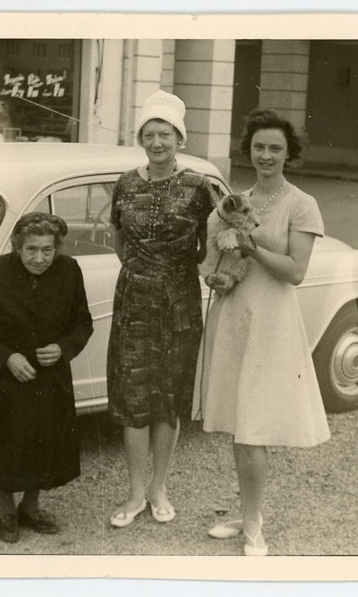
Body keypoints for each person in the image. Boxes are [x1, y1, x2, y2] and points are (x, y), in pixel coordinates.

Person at [193, 108, 331, 555]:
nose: (266, 155)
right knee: (238, 423)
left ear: (290, 153)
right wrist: (217, 261)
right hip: (233, 314)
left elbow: (296, 270)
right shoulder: (236, 197)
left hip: (271, 320)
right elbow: (216, 247)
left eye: (275, 148)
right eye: (259, 147)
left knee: (253, 427)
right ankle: (247, 510)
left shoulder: (301, 203)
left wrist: (252, 246)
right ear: (248, 150)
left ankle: (253, 525)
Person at [107, 90, 216, 527]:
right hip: (133, 300)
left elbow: (212, 246)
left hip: (180, 304)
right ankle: (135, 493)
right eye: (149, 134)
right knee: (134, 397)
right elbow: (117, 237)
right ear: (142, 139)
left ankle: (159, 487)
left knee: (167, 397)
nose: (157, 142)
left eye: (165, 134)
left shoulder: (197, 186)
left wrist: (177, 273)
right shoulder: (126, 183)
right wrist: (142, 273)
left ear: (179, 138)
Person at [0, 212, 93, 543]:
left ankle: (31, 506)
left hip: (50, 379)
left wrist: (63, 348)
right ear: (18, 247)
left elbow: (83, 323)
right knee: (8, 444)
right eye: (31, 249)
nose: (39, 258)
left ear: (57, 249)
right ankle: (6, 508)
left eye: (47, 250)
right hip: (8, 380)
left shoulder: (69, 270)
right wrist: (6, 358)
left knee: (45, 443)